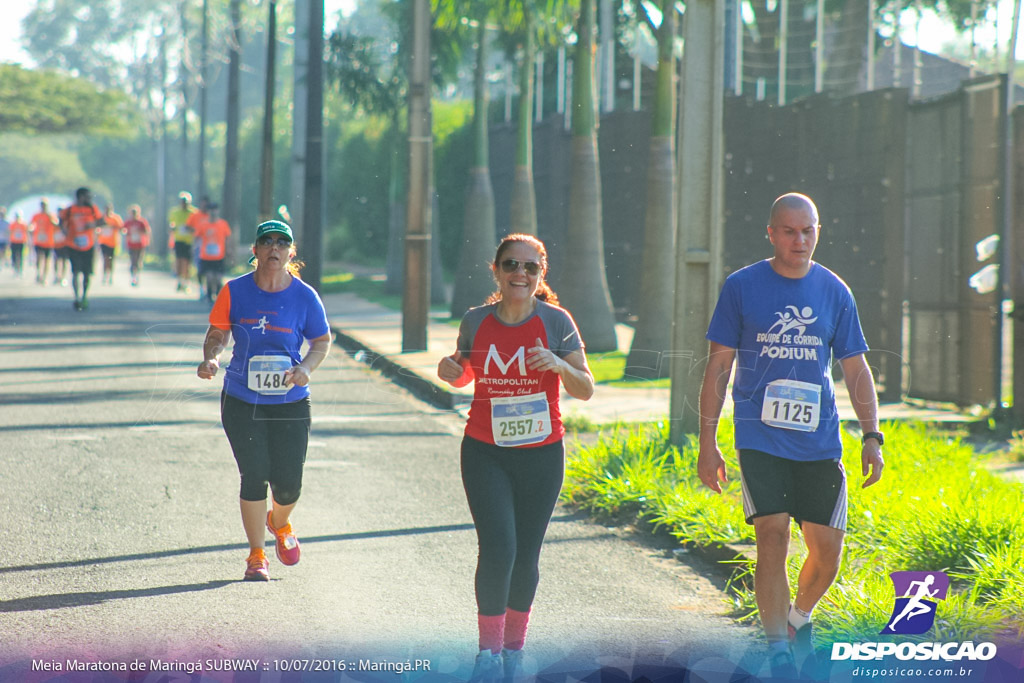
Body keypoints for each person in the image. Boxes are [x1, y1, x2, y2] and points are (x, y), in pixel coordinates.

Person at [696, 192, 885, 678]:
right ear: (771, 233)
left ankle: (798, 619)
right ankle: (778, 648)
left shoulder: (834, 290)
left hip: (819, 440)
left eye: (808, 230)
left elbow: (856, 368)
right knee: (772, 535)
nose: (799, 240)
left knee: (826, 555)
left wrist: (872, 435)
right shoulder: (742, 287)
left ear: (818, 231)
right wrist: (708, 441)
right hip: (760, 437)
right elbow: (719, 366)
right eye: (789, 230)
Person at [437, 233, 595, 681]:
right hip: (485, 450)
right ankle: (487, 654)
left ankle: (513, 650)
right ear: (496, 270)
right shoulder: (476, 320)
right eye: (511, 265)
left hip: (542, 454)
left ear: (541, 274)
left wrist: (560, 365)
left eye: (530, 267)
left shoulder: (557, 321)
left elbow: (585, 388)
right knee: (499, 546)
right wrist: (449, 369)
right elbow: (461, 372)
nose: (520, 274)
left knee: (526, 553)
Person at [196, 220, 331, 582]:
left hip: (290, 401)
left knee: (288, 485)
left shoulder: (304, 296)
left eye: (282, 242)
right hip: (242, 399)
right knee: (254, 474)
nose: (274, 248)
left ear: (291, 252)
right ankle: (256, 555)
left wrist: (306, 368)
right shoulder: (235, 291)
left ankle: (279, 522)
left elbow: (321, 341)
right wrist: (212, 357)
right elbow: (217, 333)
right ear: (254, 250)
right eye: (266, 242)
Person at [61, 188, 105, 310]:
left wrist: (93, 225)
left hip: (88, 245)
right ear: (80, 197)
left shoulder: (92, 209)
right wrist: (63, 229)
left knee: (87, 273)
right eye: (87, 196)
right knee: (75, 271)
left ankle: (84, 295)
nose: (89, 199)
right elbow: (61, 220)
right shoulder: (70, 210)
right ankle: (76, 297)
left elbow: (102, 221)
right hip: (73, 244)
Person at [194, 202, 231, 305]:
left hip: (219, 256)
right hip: (206, 256)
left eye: (215, 209)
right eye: (211, 210)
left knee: (218, 279)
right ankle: (210, 296)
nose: (213, 212)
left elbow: (227, 238)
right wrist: (195, 249)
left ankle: (218, 295)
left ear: (218, 211)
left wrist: (228, 250)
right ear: (208, 211)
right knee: (209, 277)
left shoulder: (223, 224)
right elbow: (197, 238)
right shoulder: (203, 224)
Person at [169, 191, 197, 292]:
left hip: (189, 241)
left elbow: (197, 227)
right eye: (182, 201)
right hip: (179, 240)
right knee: (179, 261)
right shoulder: (175, 212)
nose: (184, 203)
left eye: (186, 202)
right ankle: (180, 281)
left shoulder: (194, 213)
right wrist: (172, 227)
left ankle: (186, 282)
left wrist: (191, 229)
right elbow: (171, 223)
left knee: (187, 262)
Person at [30, 200, 59, 285]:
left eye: (45, 205)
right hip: (38, 240)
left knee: (47, 260)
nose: (43, 207)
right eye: (42, 205)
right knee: (39, 258)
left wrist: (50, 218)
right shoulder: (36, 215)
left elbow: (56, 224)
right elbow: (31, 224)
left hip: (48, 241)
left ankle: (44, 276)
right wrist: (31, 229)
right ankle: (38, 274)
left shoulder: (51, 215)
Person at [123, 205, 151, 287]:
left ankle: (137, 276)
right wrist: (126, 232)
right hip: (131, 244)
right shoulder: (128, 222)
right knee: (133, 261)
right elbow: (123, 230)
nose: (134, 215)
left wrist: (139, 231)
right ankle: (133, 277)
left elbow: (147, 231)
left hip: (140, 244)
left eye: (135, 213)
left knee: (138, 262)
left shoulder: (142, 222)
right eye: (132, 213)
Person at [97, 204, 123, 285]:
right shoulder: (101, 218)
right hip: (103, 242)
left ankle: (110, 276)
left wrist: (112, 227)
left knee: (111, 260)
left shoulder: (116, 218)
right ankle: (104, 276)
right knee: (105, 259)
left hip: (113, 243)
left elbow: (121, 228)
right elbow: (97, 227)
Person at [8, 211, 28, 277]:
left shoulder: (23, 224)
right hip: (14, 241)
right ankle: (15, 269)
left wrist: (26, 241)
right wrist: (9, 241)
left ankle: (20, 269)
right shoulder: (12, 224)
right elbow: (10, 232)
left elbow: (26, 232)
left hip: (21, 242)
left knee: (21, 256)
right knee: (14, 256)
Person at [0, 207, 9, 272]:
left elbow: (8, 232)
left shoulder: (7, 222)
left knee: (3, 252)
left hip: (4, 240)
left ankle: (3, 261)